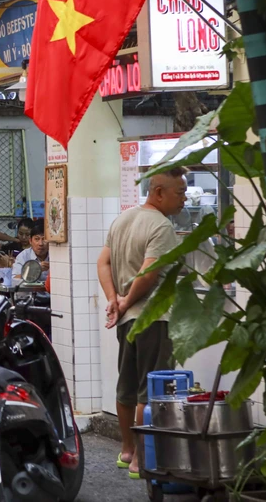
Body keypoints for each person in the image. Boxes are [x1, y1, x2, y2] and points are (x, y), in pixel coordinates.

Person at [97, 168, 187, 479]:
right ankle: (142, 461)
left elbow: (103, 262)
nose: (185, 199)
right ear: (158, 192)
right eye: (180, 192)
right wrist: (125, 300)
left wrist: (115, 298)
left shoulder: (123, 219)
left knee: (127, 385)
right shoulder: (162, 227)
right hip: (153, 318)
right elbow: (148, 274)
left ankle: (127, 451)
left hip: (127, 321)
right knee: (151, 390)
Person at [12, 220, 50, 291]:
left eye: (44, 239)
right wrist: (36, 270)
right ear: (30, 241)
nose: (41, 243)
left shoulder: (56, 256)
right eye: (37, 239)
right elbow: (14, 280)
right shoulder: (23, 256)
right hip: (28, 299)